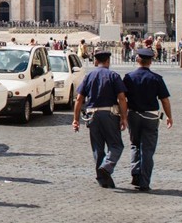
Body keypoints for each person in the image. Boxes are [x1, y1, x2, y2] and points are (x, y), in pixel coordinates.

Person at [72, 49, 128, 189]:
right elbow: (121, 98)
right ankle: (106, 166)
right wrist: (124, 117)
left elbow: (79, 99)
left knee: (98, 148)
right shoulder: (113, 76)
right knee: (116, 145)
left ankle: (103, 179)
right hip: (109, 114)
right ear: (108, 61)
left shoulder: (89, 76)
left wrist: (76, 119)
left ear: (96, 61)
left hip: (92, 115)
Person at [123, 48, 173, 192]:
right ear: (150, 62)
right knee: (148, 150)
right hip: (151, 116)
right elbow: (165, 100)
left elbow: (122, 99)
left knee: (135, 145)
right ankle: (144, 182)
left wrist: (123, 116)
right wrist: (169, 116)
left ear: (137, 59)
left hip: (133, 115)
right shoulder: (156, 78)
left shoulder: (128, 77)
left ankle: (135, 173)